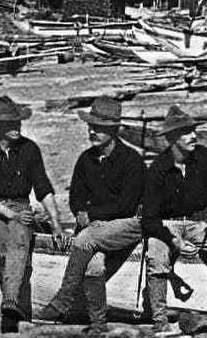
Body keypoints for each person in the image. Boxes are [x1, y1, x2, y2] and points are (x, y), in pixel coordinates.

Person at [36, 97, 146, 332]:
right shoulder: (86, 160)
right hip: (94, 229)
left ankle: (63, 300)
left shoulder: (132, 161)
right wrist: (82, 213)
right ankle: (98, 324)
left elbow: (127, 204)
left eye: (99, 128)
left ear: (114, 130)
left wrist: (93, 215)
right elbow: (76, 197)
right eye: (90, 126)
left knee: (85, 240)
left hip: (125, 225)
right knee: (93, 264)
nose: (92, 131)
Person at [0, 95, 64, 333]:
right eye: (10, 124)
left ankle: (10, 304)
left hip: (21, 209)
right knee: (5, 242)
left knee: (20, 235)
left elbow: (43, 188)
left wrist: (56, 224)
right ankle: (15, 307)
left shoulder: (29, 149)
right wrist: (10, 215)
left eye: (18, 123)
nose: (17, 128)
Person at [142, 105, 207, 334]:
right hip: (166, 225)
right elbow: (150, 219)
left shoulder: (203, 157)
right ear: (173, 138)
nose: (193, 136)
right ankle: (160, 320)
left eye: (193, 130)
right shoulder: (158, 169)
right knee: (156, 257)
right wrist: (173, 240)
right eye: (186, 132)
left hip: (198, 224)